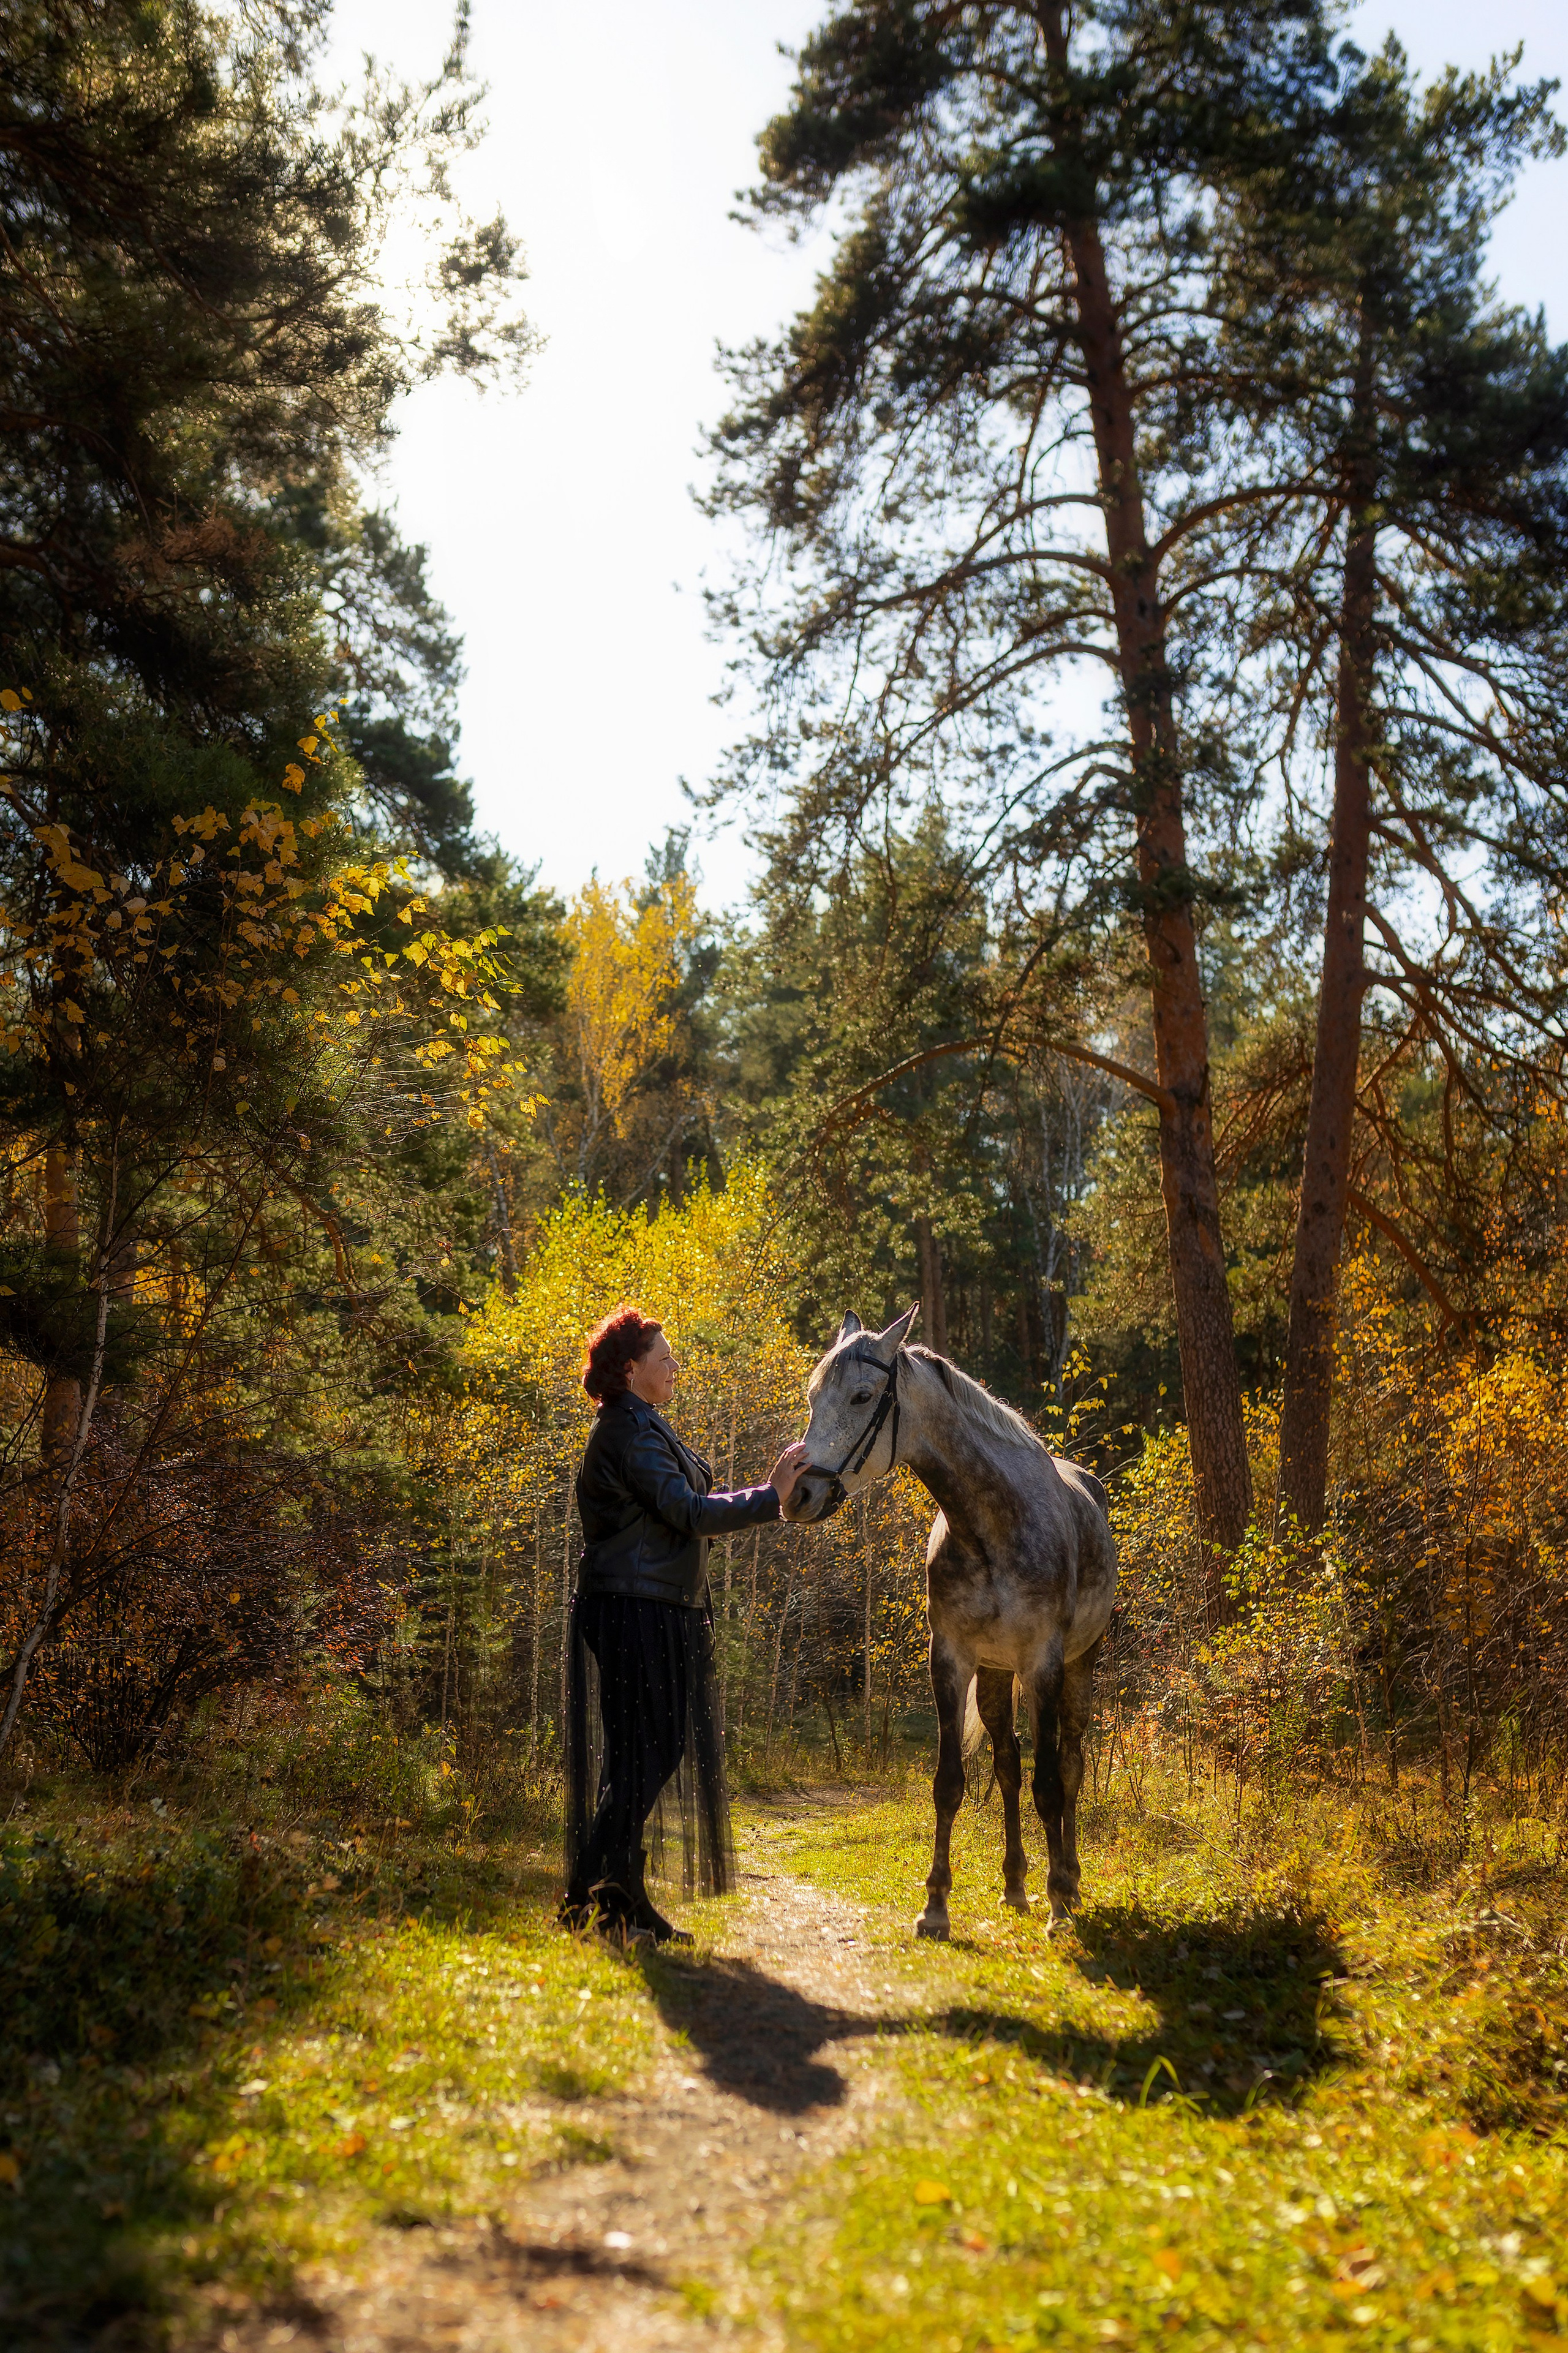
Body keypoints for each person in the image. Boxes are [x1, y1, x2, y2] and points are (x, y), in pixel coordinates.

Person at [559, 1306, 809, 1943]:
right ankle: (587, 1896)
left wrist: (762, 1496)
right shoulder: (627, 1429)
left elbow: (685, 1507)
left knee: (638, 1755)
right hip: (633, 1608)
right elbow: (687, 1511)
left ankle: (617, 1901)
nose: (676, 1365)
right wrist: (770, 1494)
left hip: (651, 1605)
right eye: (665, 1357)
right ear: (630, 1368)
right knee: (651, 1750)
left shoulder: (643, 1424)